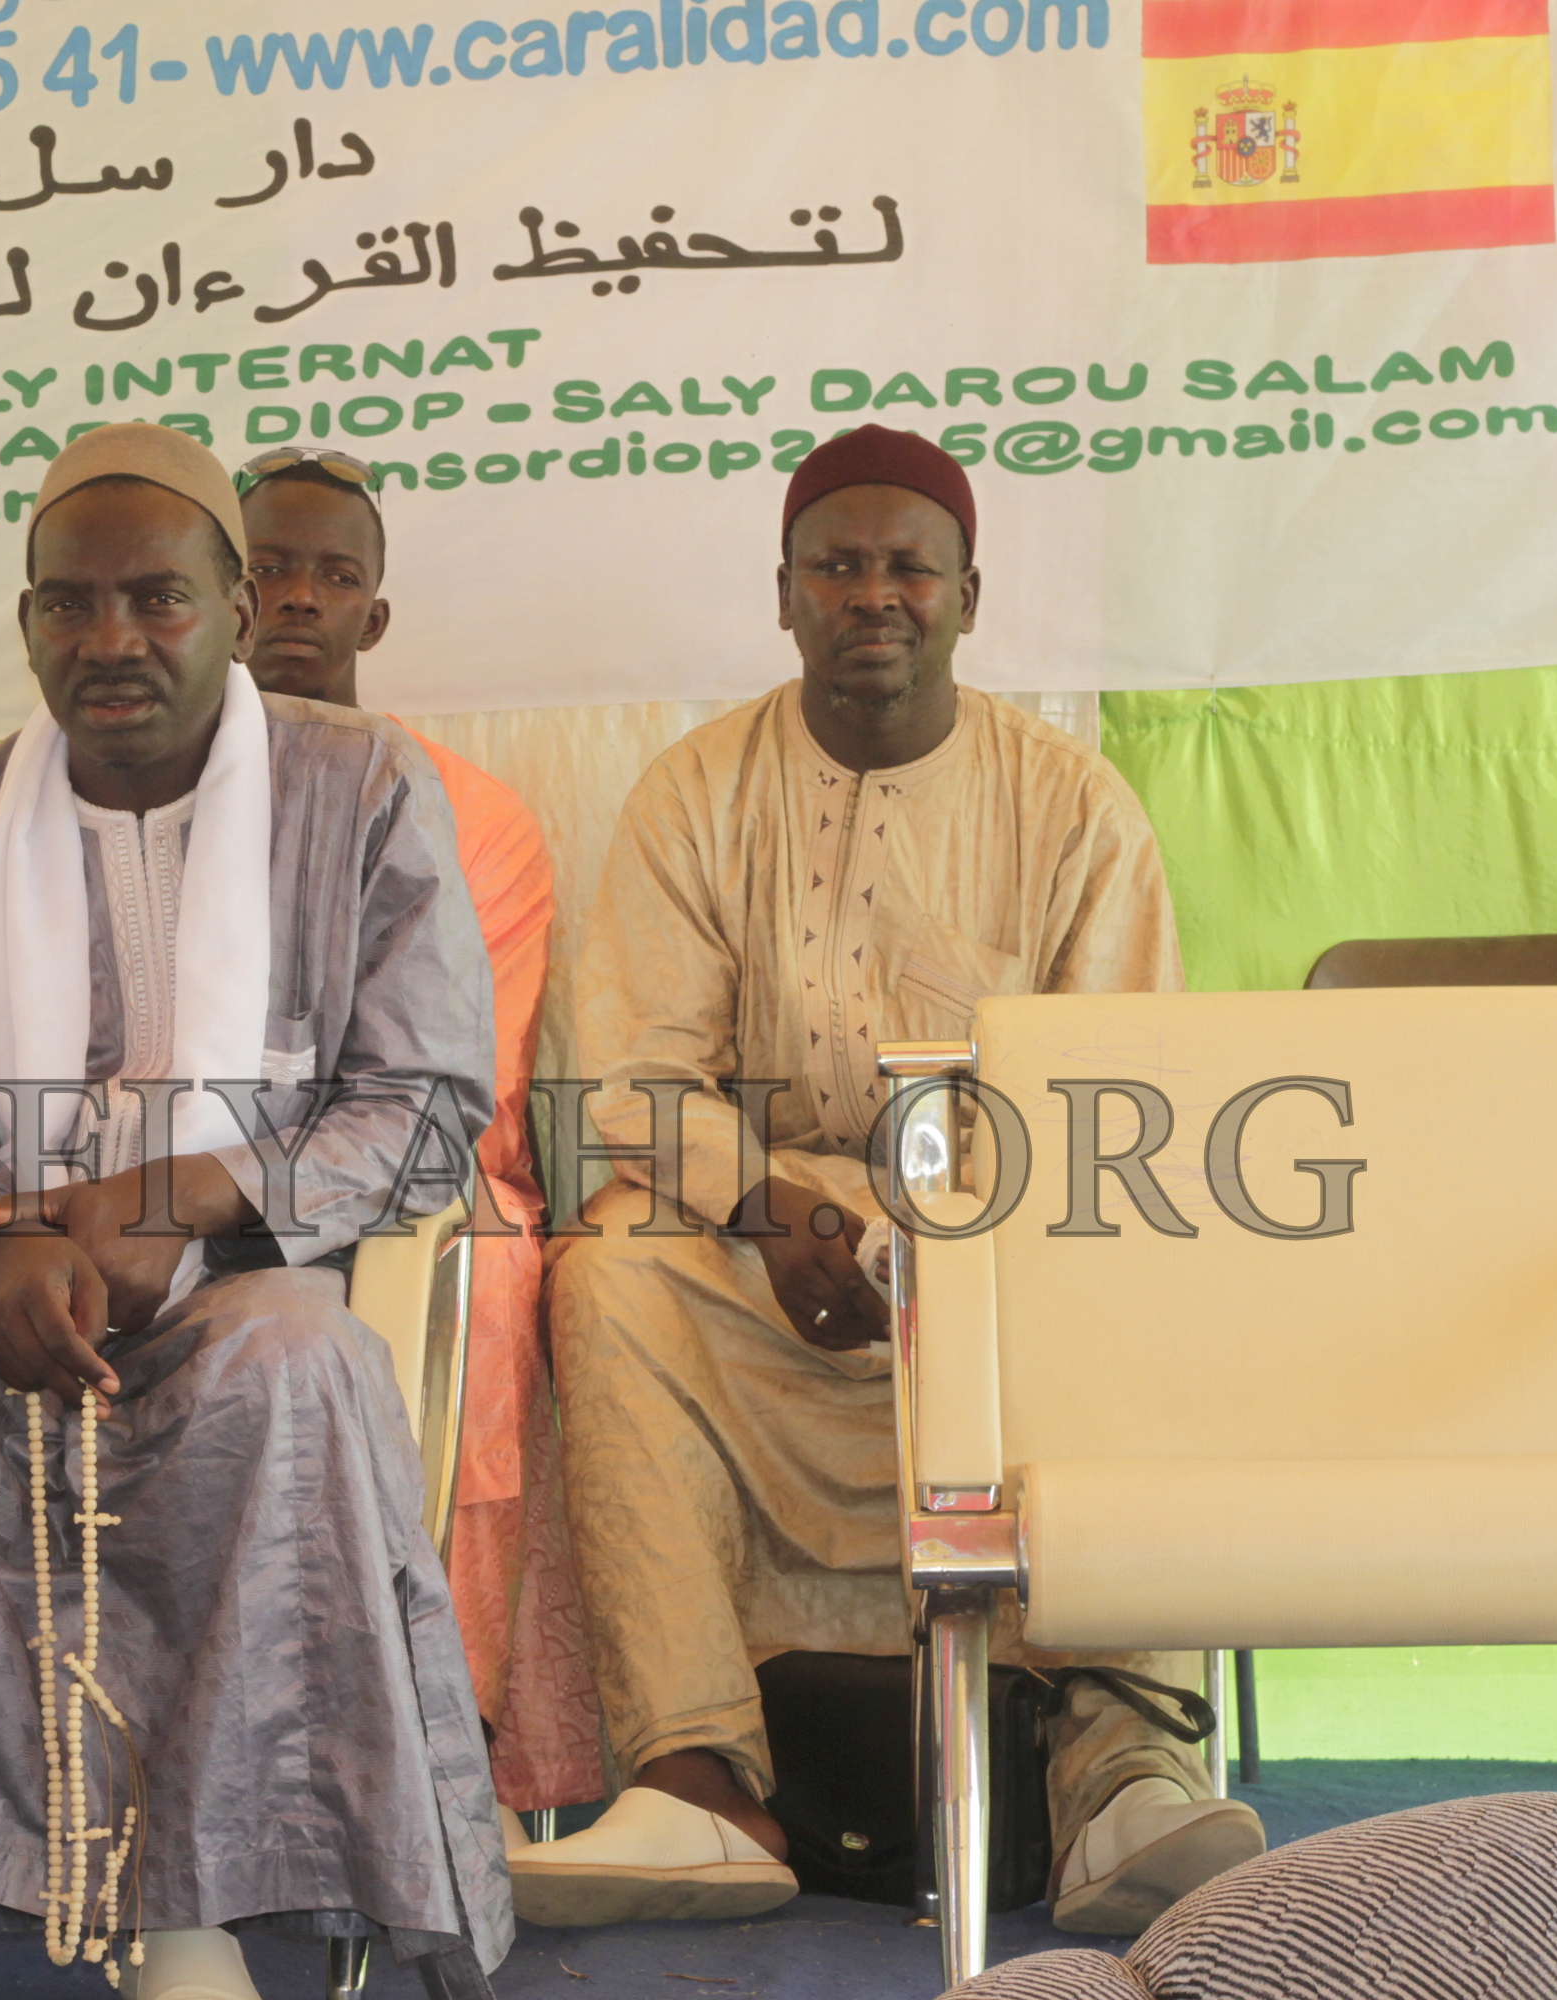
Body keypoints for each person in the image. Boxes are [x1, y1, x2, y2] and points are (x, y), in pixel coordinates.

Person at [0, 423, 513, 2000]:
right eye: (70, 605)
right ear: (25, 620)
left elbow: (428, 1103)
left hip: (249, 1270)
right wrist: (1, 1245)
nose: (112, 642)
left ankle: (196, 1906)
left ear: (237, 608)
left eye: (157, 599)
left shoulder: (365, 795)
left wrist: (201, 1198)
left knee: (288, 1371)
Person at [516, 427, 1261, 1933]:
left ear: (968, 596)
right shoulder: (695, 795)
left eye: (908, 566)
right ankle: (697, 1785)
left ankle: (1120, 1779)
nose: (875, 595)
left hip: (1007, 1257)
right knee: (609, 1270)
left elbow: (1109, 1109)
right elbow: (635, 1083)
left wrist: (944, 1244)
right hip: (765, 1264)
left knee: (1148, 1273)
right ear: (783, 595)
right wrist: (771, 1209)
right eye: (837, 566)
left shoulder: (1074, 810)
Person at [233, 447, 601, 1814]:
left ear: (374, 618)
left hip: (410, 1193)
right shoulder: (129, 784)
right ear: (219, 587)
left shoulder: (477, 818)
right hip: (189, 1181)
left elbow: (463, 1084)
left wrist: (269, 1181)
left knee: (486, 1273)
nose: (297, 600)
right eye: (269, 566)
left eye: (334, 576)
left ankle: (426, 1750)